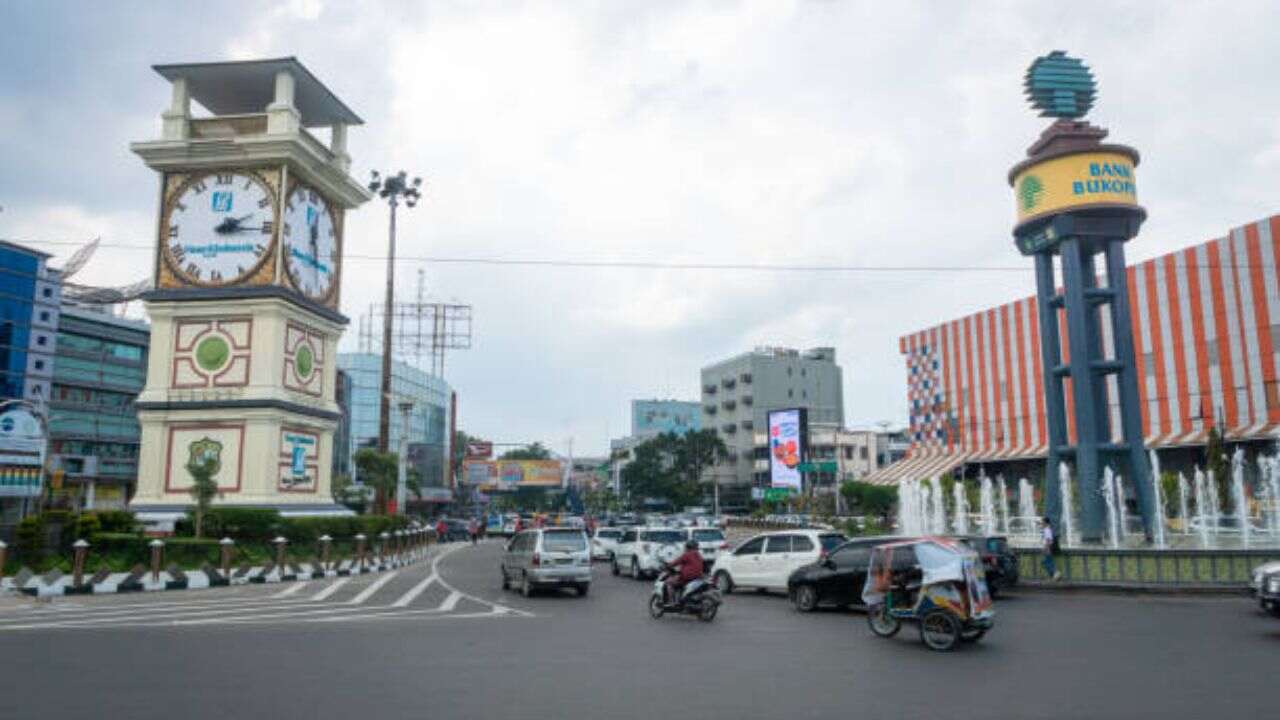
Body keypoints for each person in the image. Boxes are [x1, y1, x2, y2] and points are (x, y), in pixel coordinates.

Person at [664, 539, 705, 604]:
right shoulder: (699, 555)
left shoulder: (687, 555)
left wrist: (668, 566)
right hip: (698, 577)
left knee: (669, 582)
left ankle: (671, 601)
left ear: (688, 547)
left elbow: (676, 562)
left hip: (687, 577)